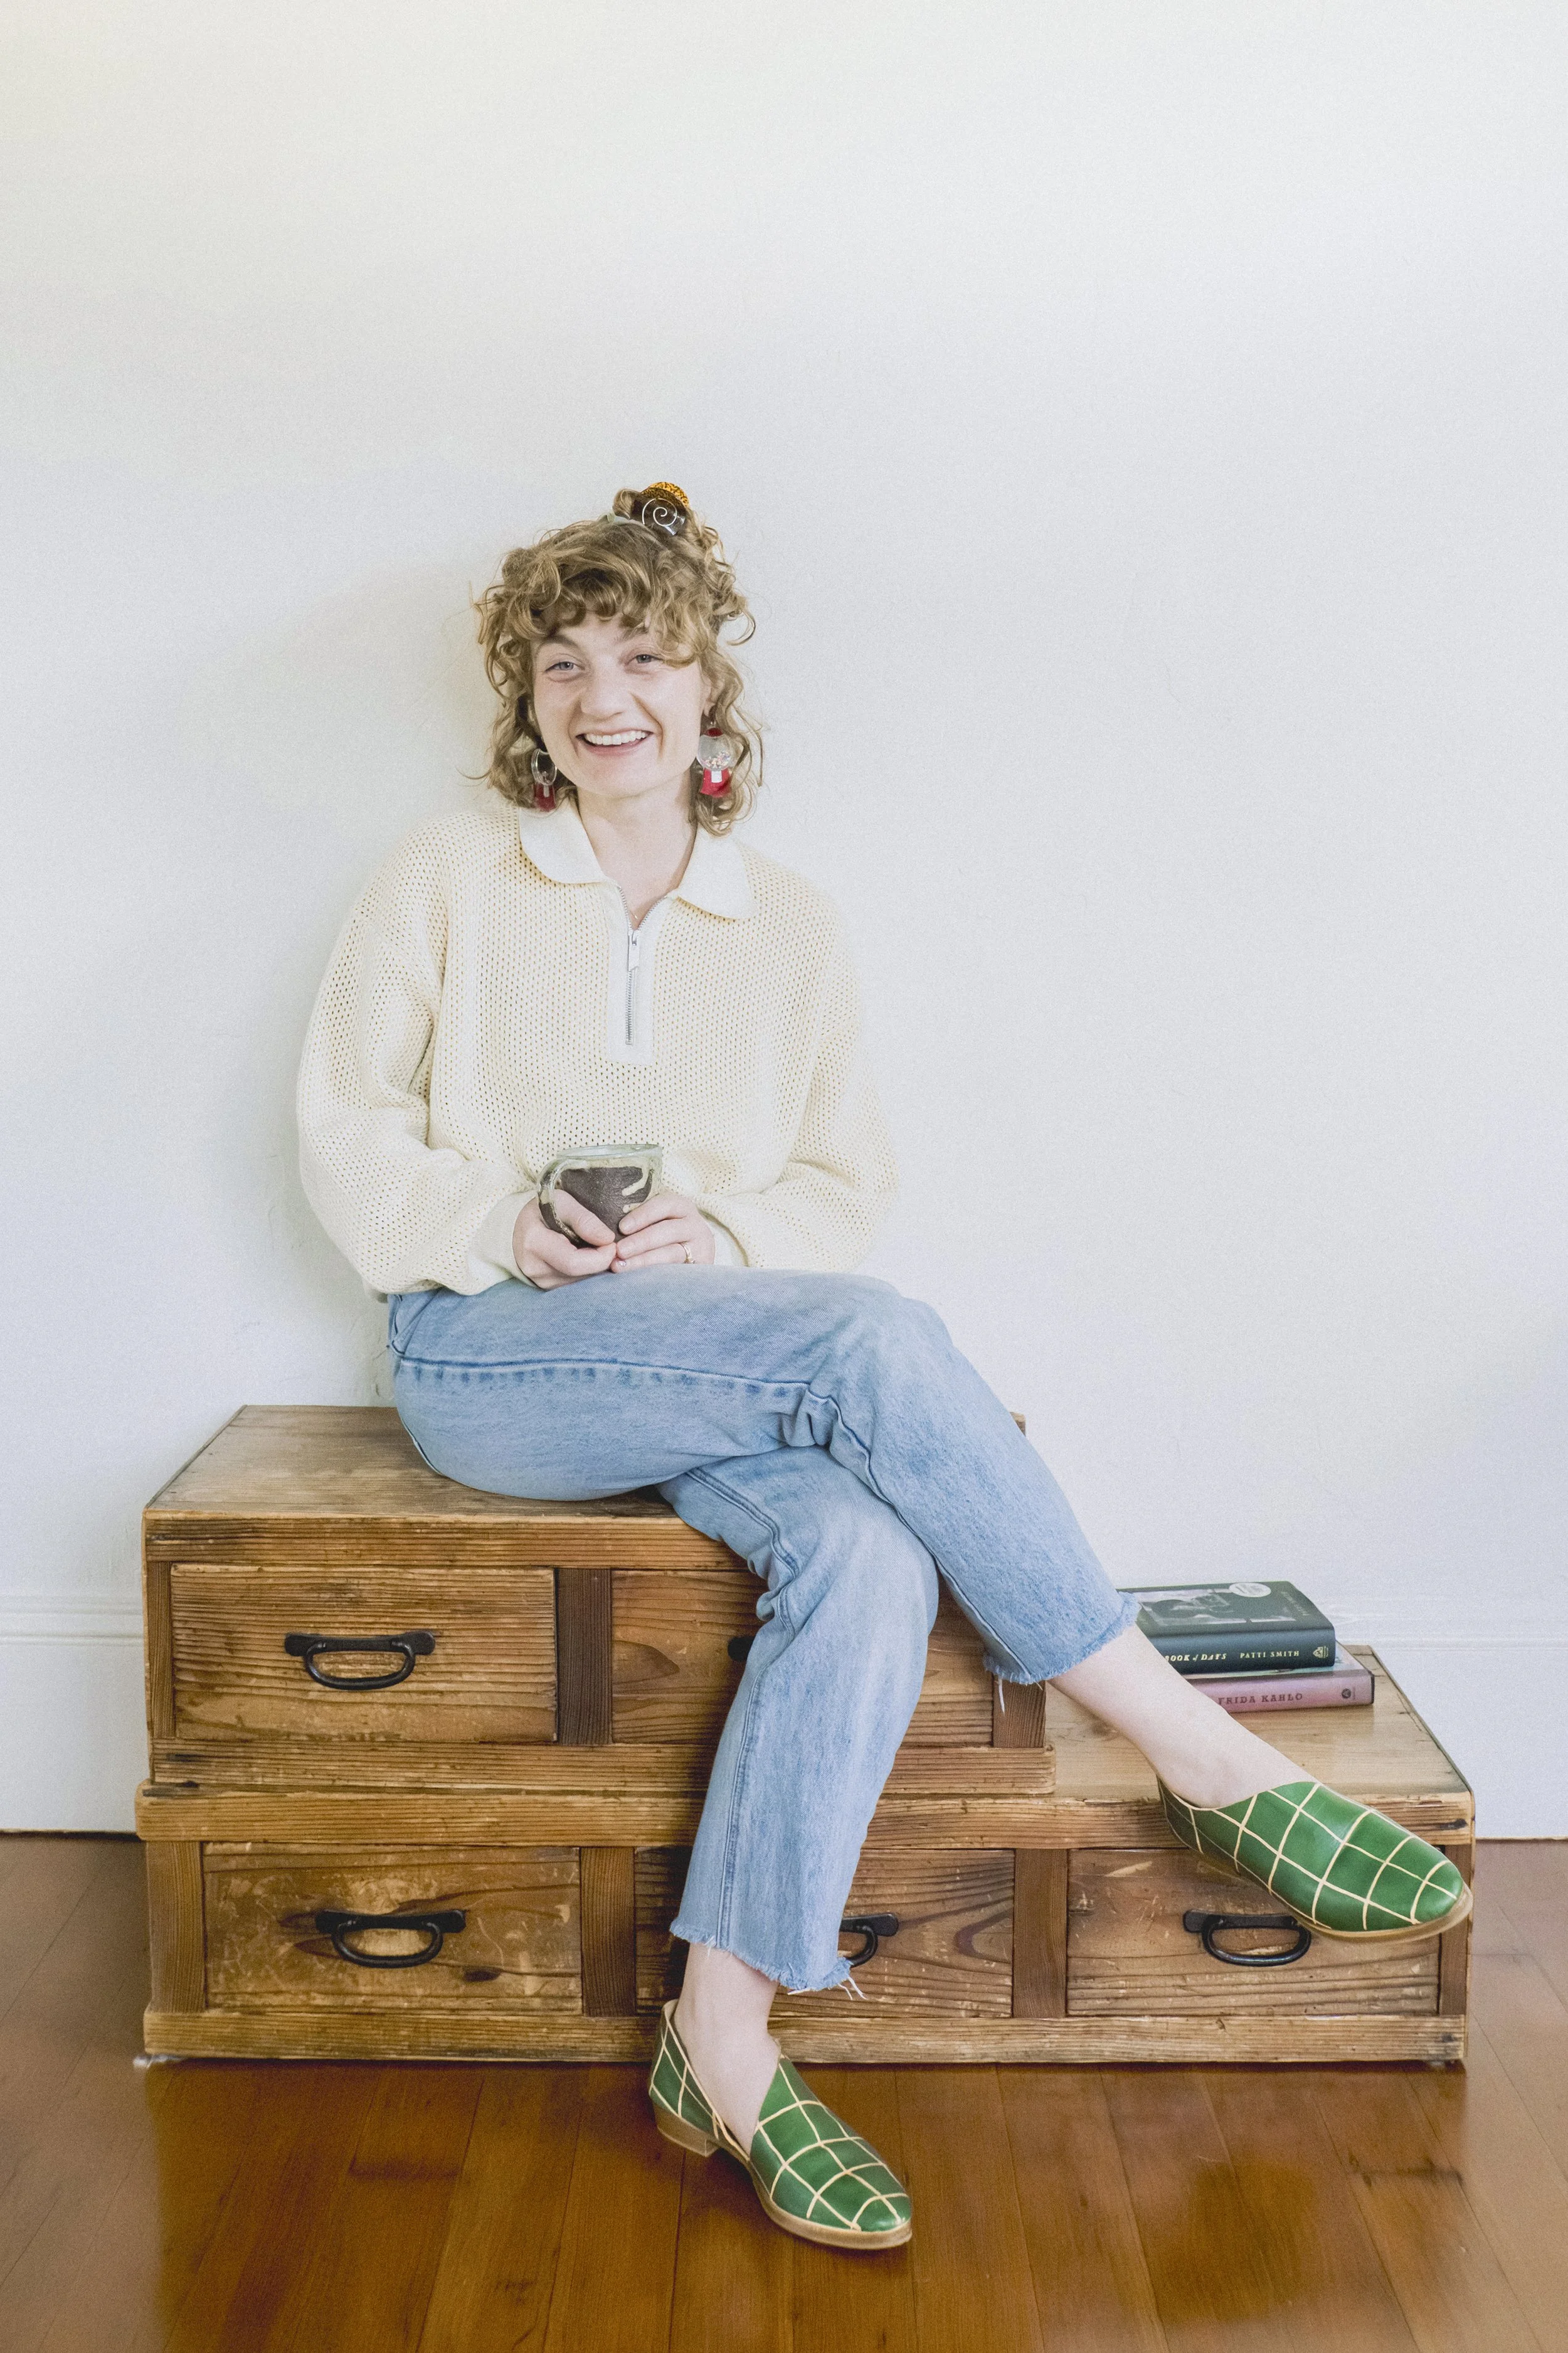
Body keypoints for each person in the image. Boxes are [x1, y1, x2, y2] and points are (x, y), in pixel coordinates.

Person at [297, 482, 1470, 2252]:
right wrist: (496, 1220)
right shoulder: (449, 872)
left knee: (865, 1547)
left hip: (713, 1358)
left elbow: (845, 1185)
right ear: (523, 694)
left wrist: (723, 1238)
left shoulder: (791, 931)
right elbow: (340, 1127)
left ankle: (724, 2038)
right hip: (490, 1354)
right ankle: (1195, 1750)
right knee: (879, 1335)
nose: (599, 691)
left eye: (641, 654)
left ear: (705, 690)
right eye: (562, 659)